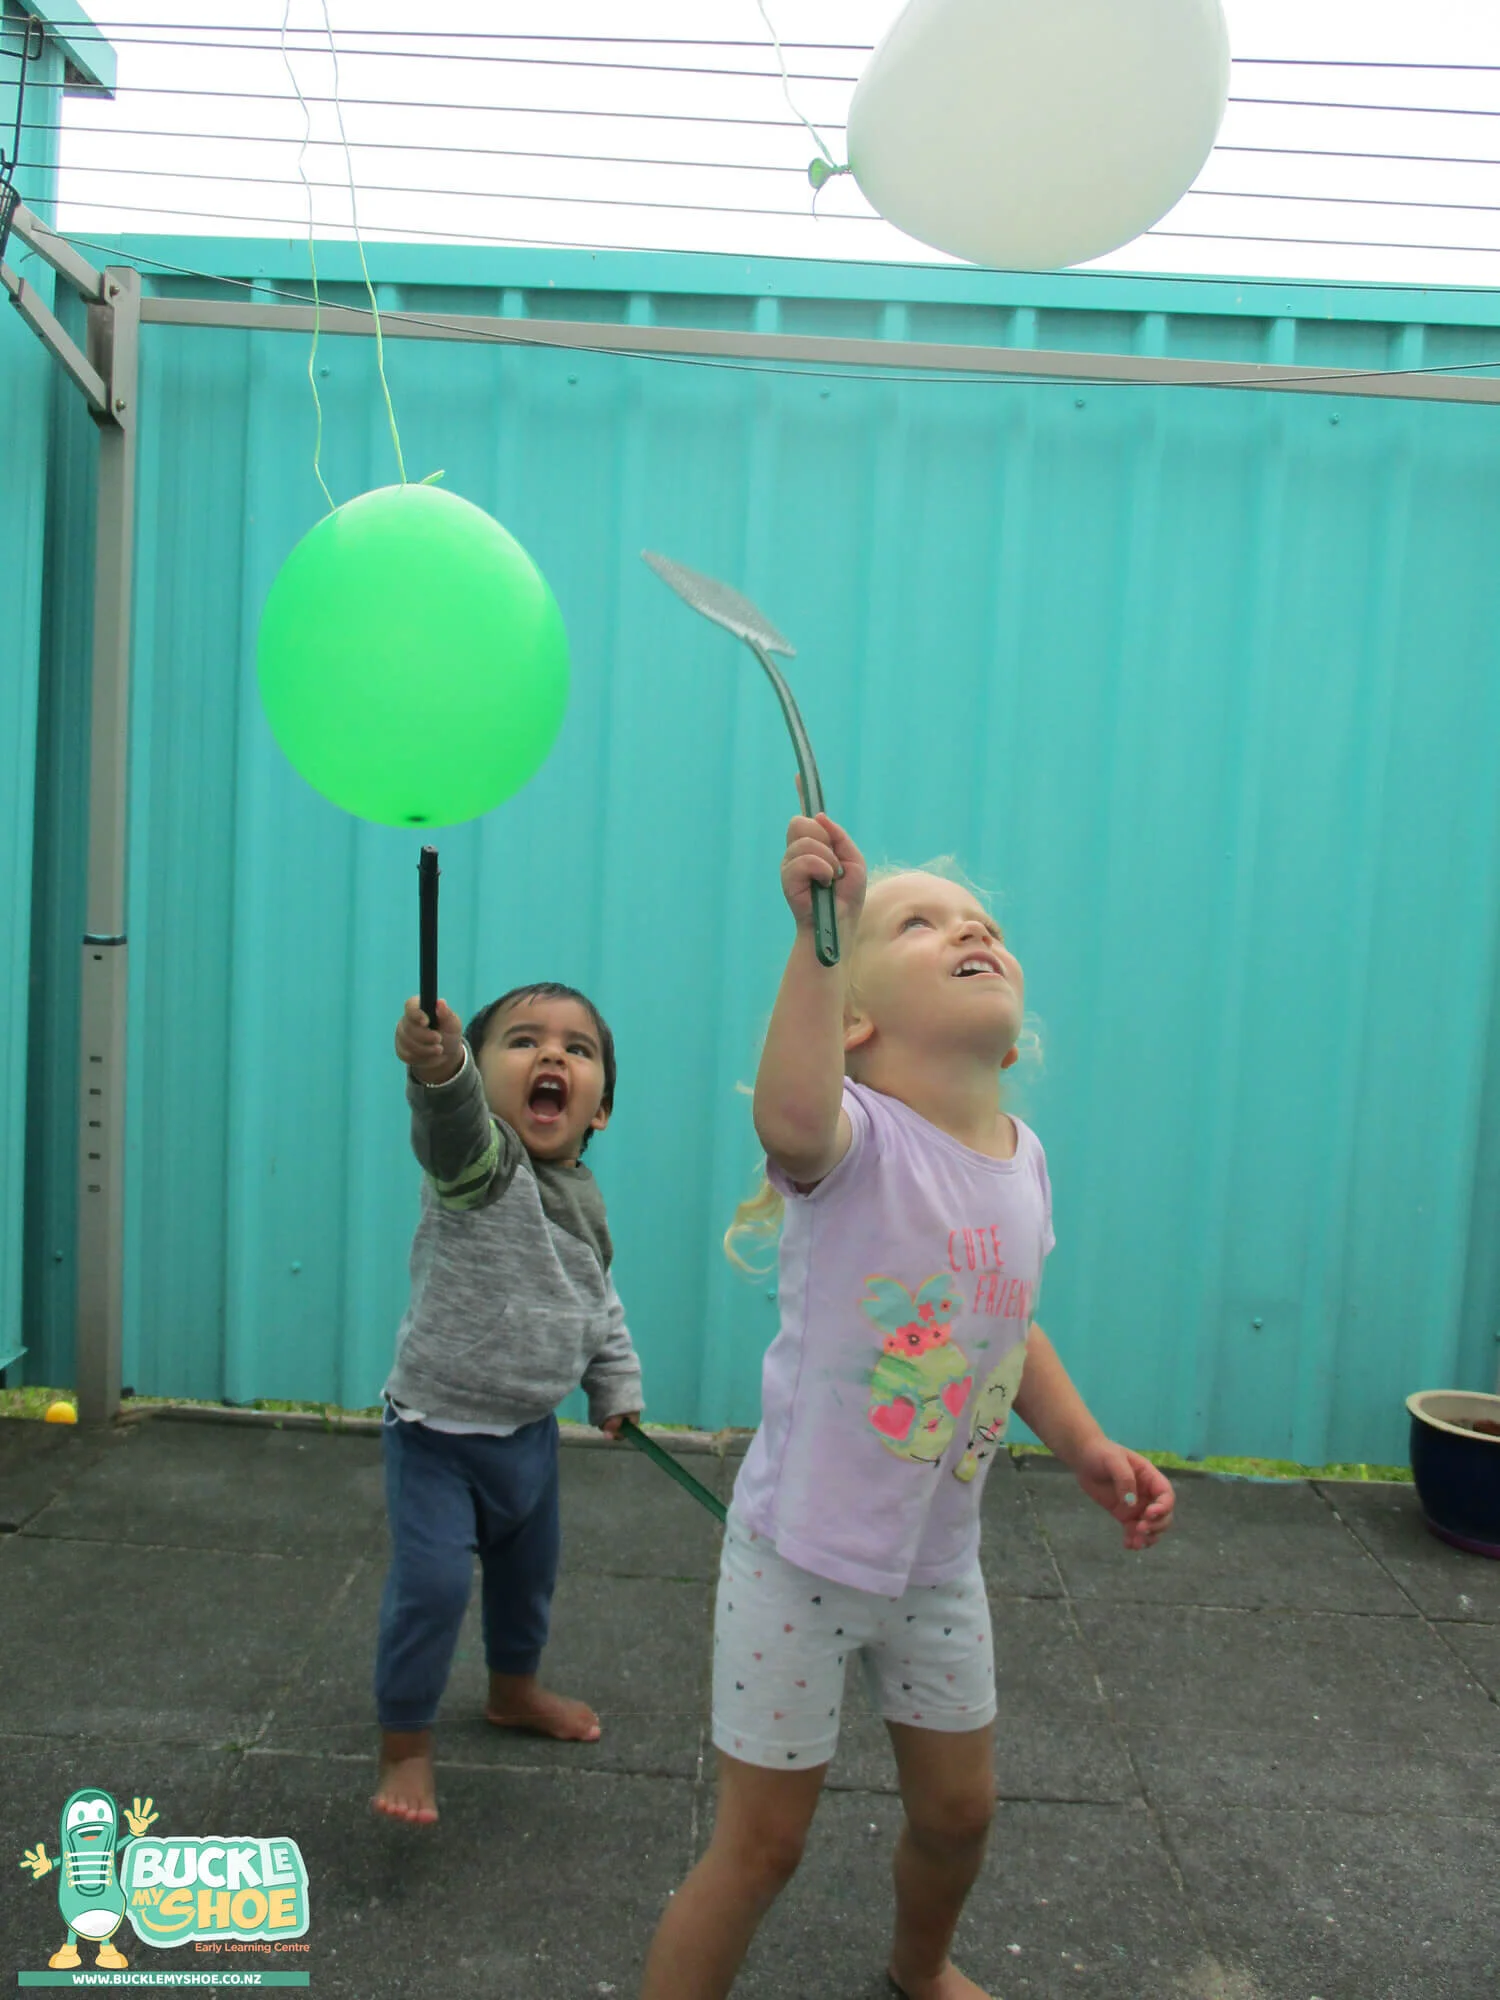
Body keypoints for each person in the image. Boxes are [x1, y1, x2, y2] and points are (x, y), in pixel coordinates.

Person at [640, 813, 1175, 2000]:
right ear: (857, 1023)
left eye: (978, 921)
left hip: (937, 1562)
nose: (969, 926)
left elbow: (1009, 1320)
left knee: (961, 1812)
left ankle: (918, 1967)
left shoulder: (1023, 1157)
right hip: (800, 1559)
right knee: (761, 1845)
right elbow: (787, 1107)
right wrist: (815, 936)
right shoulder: (853, 1142)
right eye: (920, 922)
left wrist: (1082, 1440)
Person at [371, 981, 643, 1826]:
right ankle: (406, 1745)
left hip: (528, 1437)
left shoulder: (585, 1200)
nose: (552, 1055)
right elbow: (448, 1121)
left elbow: (598, 1303)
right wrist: (441, 1068)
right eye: (522, 1042)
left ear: (599, 1110)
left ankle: (513, 1691)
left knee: (528, 1583)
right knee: (434, 1589)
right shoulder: (480, 1169)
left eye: (578, 1048)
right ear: (488, 1087)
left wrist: (614, 1388)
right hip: (435, 1436)